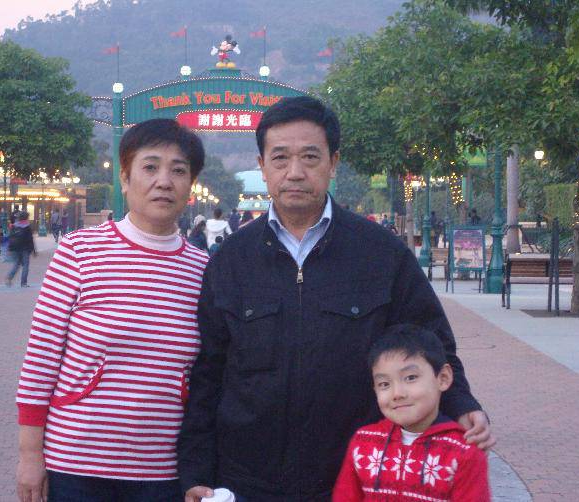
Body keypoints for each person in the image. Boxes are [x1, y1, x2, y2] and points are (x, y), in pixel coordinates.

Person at [178, 96, 493, 501]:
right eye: (280, 158)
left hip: (354, 476)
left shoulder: (381, 252)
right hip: (247, 478)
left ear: (333, 162)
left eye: (310, 157)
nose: (295, 172)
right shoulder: (231, 260)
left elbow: (432, 343)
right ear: (262, 166)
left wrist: (462, 403)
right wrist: (196, 471)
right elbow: (208, 374)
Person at [15, 119, 209, 502]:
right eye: (150, 167)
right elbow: (40, 360)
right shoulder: (79, 252)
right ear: (125, 179)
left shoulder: (203, 270)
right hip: (76, 464)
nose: (164, 181)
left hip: (162, 470)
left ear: (190, 186)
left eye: (178, 170)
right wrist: (30, 455)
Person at [333, 324, 490, 501]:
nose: (397, 393)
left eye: (410, 378)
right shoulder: (363, 443)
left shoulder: (464, 452)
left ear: (443, 378)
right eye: (384, 384)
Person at [5, 211, 36, 288]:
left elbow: (10, 237)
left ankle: (9, 278)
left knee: (16, 264)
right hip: (25, 248)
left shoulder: (14, 226)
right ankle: (23, 283)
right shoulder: (27, 226)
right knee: (25, 265)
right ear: (26, 217)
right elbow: (30, 239)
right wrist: (33, 250)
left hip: (15, 248)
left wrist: (9, 248)